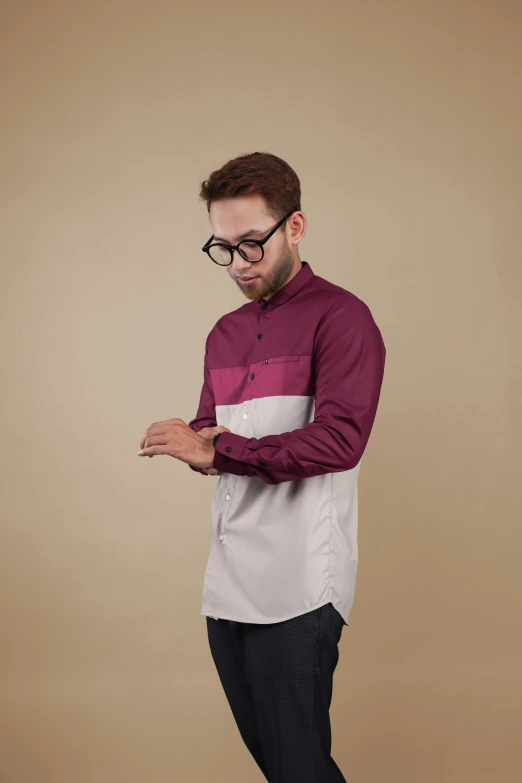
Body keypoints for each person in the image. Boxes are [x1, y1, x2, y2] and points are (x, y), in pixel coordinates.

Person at [138, 151, 386, 782]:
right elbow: (211, 433)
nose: (239, 264)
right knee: (282, 769)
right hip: (228, 582)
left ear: (295, 228)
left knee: (299, 768)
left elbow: (338, 442)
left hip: (300, 582)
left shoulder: (342, 318)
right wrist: (195, 444)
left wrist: (219, 451)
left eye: (251, 244)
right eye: (223, 248)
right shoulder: (223, 332)